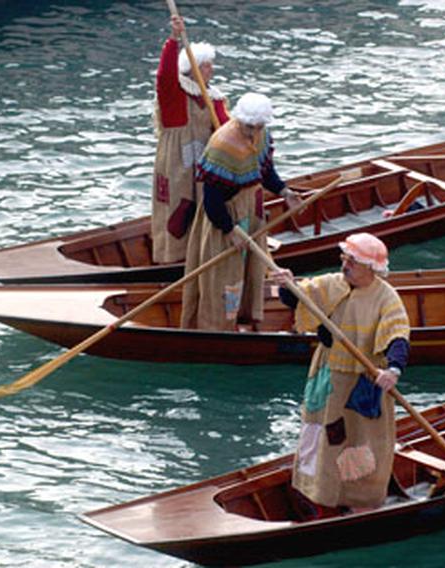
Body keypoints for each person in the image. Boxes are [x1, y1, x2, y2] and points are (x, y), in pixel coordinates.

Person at [271, 233, 411, 515]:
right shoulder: (333, 283)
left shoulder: (386, 298)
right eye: (344, 258)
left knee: (361, 441)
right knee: (318, 431)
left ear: (370, 268)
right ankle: (317, 492)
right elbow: (297, 297)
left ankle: (360, 500)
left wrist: (393, 370)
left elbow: (398, 337)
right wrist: (287, 283)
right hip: (328, 374)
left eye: (351, 261)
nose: (344, 264)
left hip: (363, 379)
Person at [180, 92, 301, 330]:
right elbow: (212, 200)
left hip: (250, 213)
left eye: (258, 127)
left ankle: (243, 319)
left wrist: (285, 192)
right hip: (223, 220)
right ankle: (215, 327)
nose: (253, 133)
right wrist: (230, 229)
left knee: (251, 271)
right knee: (223, 278)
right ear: (239, 120)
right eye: (249, 127)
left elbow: (265, 173)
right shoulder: (222, 145)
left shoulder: (262, 135)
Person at [151, 15, 230, 264]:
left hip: (204, 165)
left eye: (210, 65)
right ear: (191, 68)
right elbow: (164, 76)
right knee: (177, 211)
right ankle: (172, 258)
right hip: (177, 164)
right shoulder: (175, 94)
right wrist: (174, 40)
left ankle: (203, 254)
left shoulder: (214, 98)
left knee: (206, 209)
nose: (211, 69)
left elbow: (225, 129)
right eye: (205, 65)